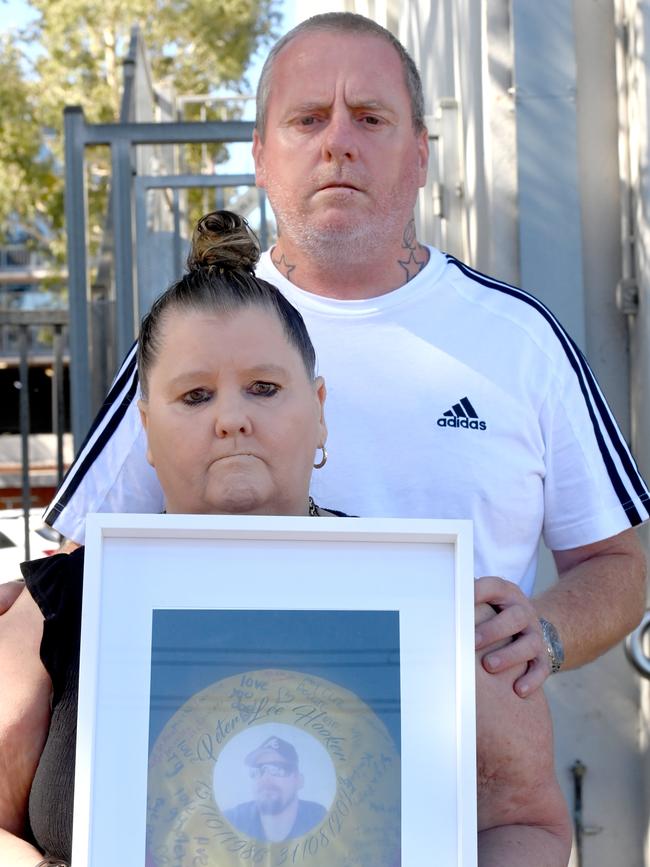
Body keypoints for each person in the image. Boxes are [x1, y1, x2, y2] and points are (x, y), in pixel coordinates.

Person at [29, 12, 647, 701]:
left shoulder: (522, 337)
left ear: (421, 153)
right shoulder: (189, 336)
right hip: (223, 767)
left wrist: (546, 631)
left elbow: (616, 562)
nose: (338, 144)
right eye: (309, 118)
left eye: (370, 118)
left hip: (466, 782)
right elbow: (84, 562)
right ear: (261, 155)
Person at [0, 211, 570, 867]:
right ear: (146, 430)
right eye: (195, 396)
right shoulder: (55, 617)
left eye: (265, 387)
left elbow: (526, 822)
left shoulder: (427, 600)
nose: (232, 420)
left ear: (319, 409)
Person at [222, 736, 326, 842]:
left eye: (278, 769)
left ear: (299, 780)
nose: (265, 779)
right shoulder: (232, 820)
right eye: (257, 770)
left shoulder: (321, 820)